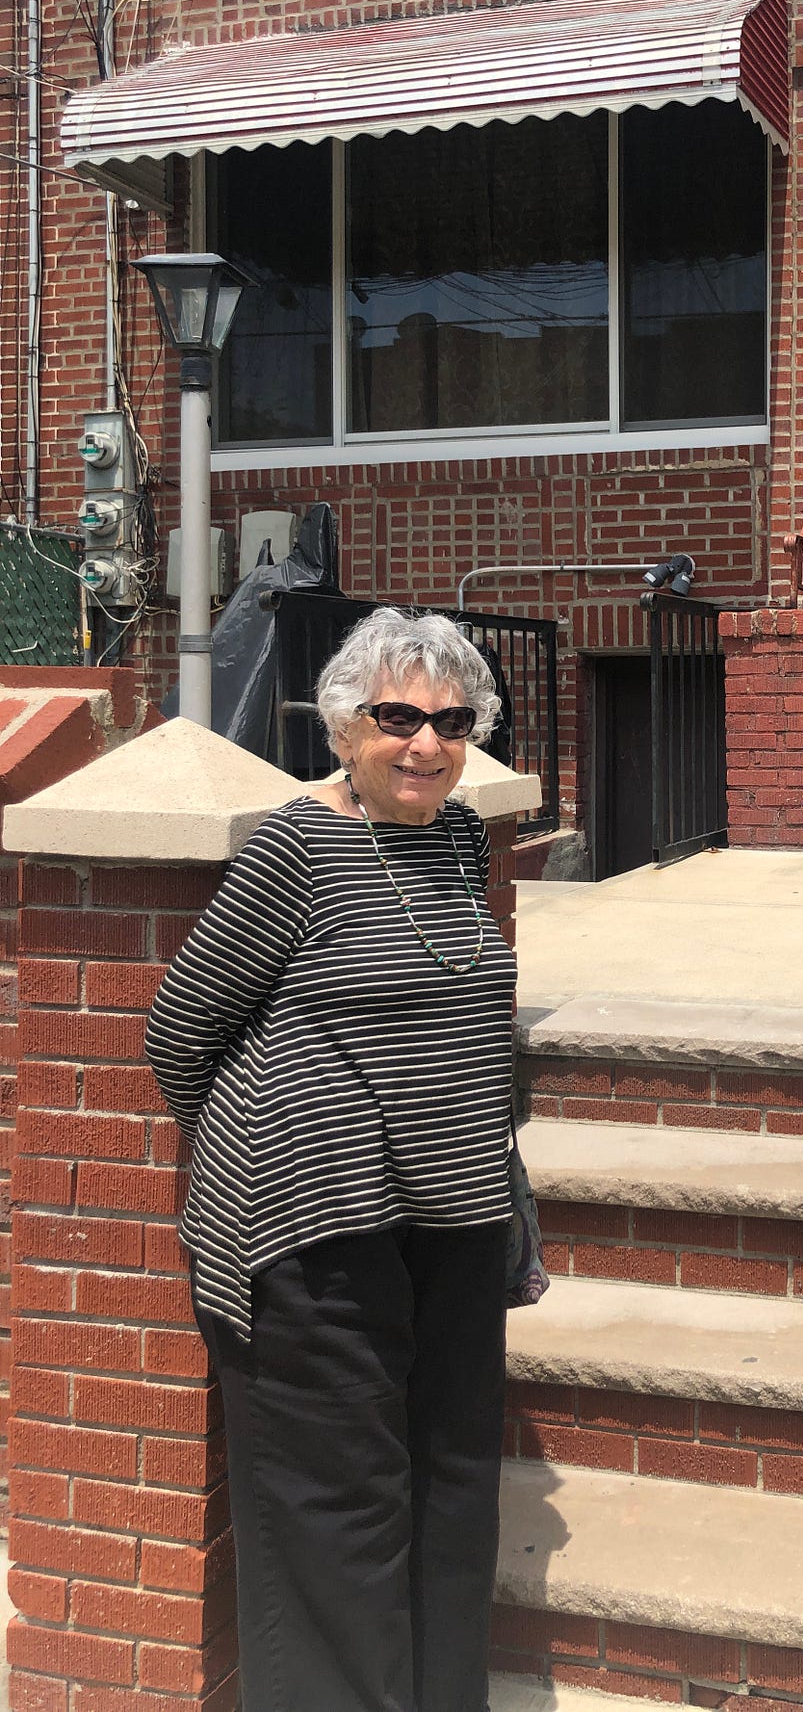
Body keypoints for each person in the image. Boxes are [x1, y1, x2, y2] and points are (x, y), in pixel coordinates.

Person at [145, 606, 517, 1712]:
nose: (426, 743)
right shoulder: (296, 847)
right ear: (345, 726)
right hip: (314, 1228)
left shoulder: (455, 838)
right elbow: (179, 1034)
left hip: (451, 1217)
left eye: (451, 721)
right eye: (398, 716)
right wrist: (291, 1144)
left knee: (453, 1486)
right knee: (337, 1506)